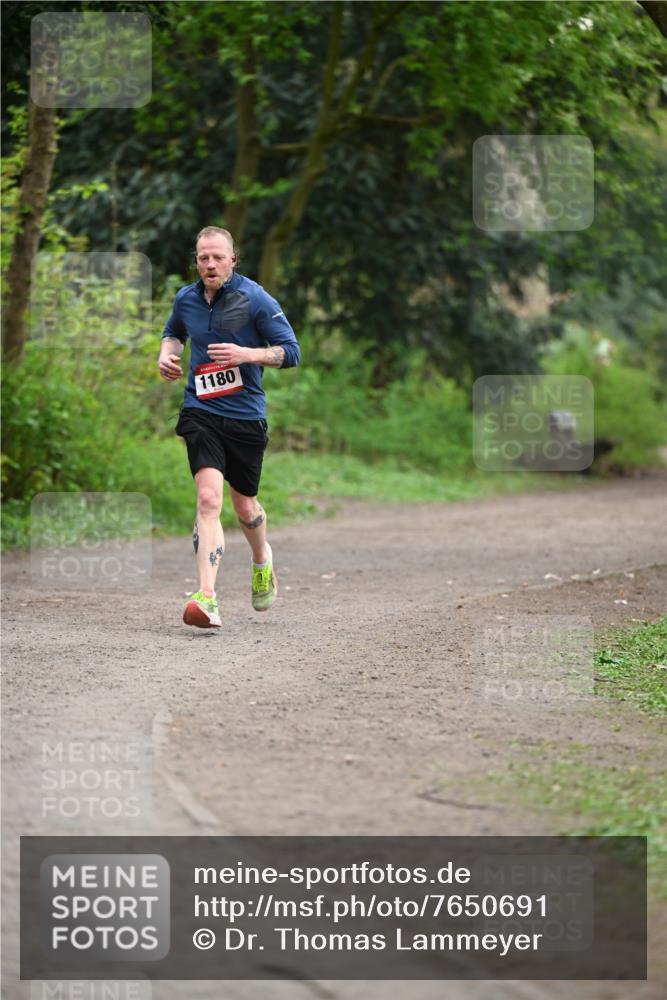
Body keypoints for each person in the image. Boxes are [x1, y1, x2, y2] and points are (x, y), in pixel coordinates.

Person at [158, 226, 300, 628]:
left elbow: (291, 352)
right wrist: (167, 356)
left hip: (245, 417)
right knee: (207, 500)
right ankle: (207, 596)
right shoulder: (186, 298)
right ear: (196, 260)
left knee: (245, 506)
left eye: (218, 257)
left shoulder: (254, 298)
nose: (210, 264)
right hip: (200, 411)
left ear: (233, 259)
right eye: (203, 257)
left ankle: (261, 560)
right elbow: (173, 333)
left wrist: (246, 354)